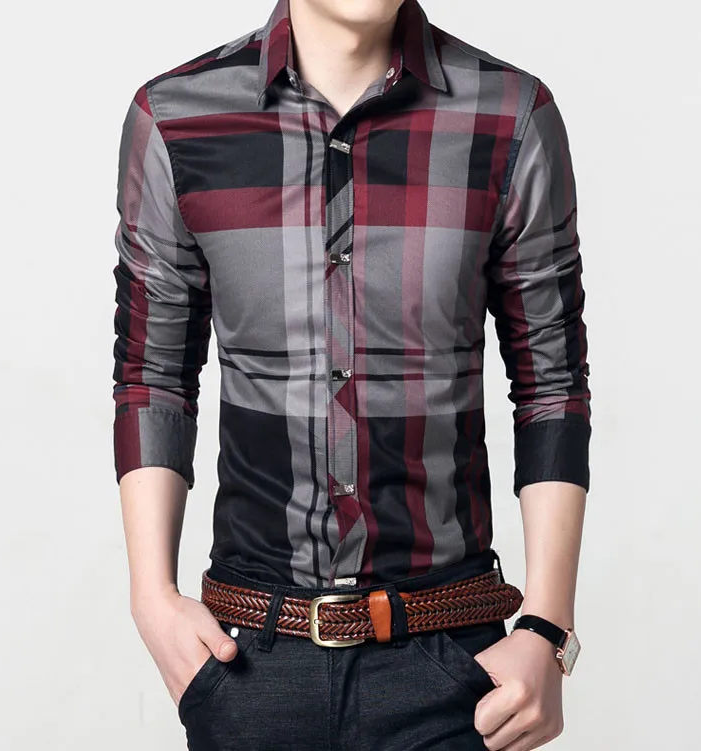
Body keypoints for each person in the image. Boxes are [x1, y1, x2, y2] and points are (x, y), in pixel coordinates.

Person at [111, 0, 591, 748]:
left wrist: (547, 626)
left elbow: (551, 385)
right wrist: (151, 597)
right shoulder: (177, 120)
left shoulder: (511, 117)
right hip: (248, 661)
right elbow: (153, 377)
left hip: (451, 662)